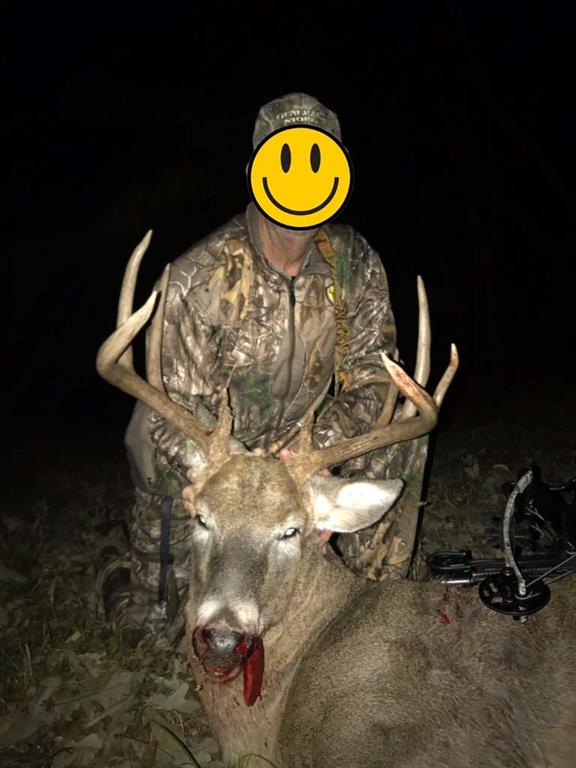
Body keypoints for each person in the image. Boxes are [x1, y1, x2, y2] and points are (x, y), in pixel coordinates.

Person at [95, 93, 428, 646]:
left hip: (303, 451)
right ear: (256, 170)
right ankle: (111, 548)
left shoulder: (354, 264)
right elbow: (173, 412)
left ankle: (373, 595)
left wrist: (313, 464)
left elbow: (375, 379)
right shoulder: (197, 276)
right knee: (156, 635)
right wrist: (212, 476)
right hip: (209, 461)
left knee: (406, 428)